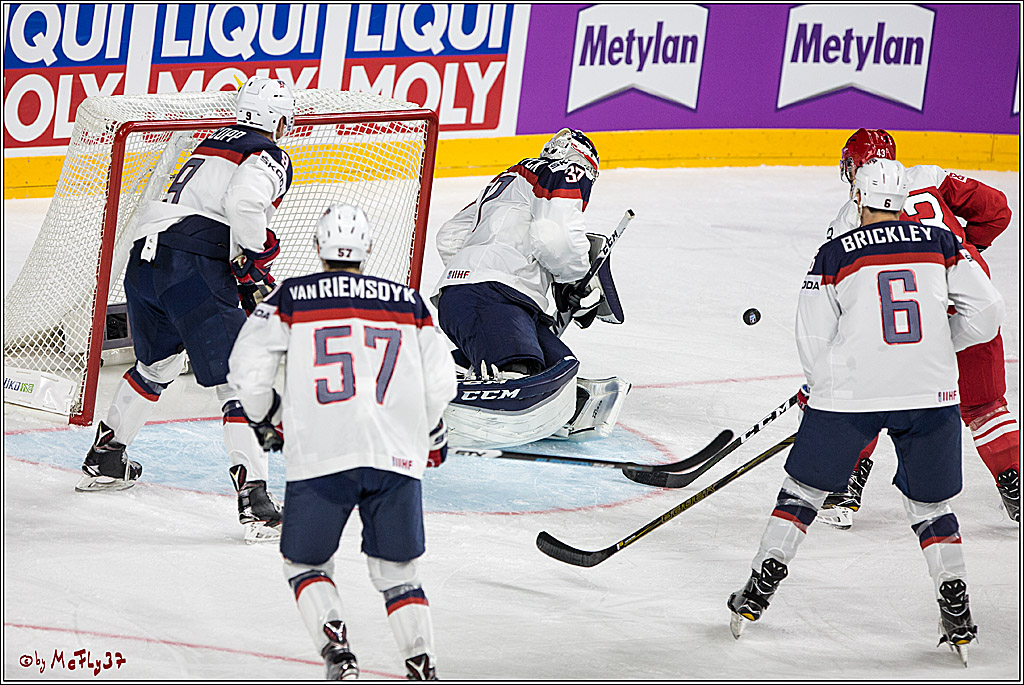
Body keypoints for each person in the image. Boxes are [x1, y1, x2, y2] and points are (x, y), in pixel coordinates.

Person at [728, 159, 1004, 666]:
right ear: (901, 201)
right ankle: (957, 607)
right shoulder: (943, 244)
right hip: (931, 394)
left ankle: (758, 591)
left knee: (804, 493)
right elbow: (987, 314)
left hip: (850, 395)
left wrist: (824, 385)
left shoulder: (833, 253)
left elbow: (812, 338)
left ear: (858, 199)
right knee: (932, 509)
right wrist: (940, 351)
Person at [227, 204, 457, 680]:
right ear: (368, 249)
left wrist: (266, 416)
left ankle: (339, 655)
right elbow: (440, 380)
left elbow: (247, 370)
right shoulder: (409, 302)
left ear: (317, 248)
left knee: (305, 564)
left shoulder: (291, 297)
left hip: (320, 454)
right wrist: (432, 431)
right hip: (394, 456)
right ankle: (422, 666)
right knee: (398, 576)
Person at [75, 76, 295, 544]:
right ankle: (255, 501)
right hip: (190, 263)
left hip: (145, 260)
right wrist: (256, 253)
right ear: (278, 118)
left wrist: (239, 264)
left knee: (156, 364)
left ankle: (107, 456)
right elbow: (243, 203)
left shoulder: (207, 142)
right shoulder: (268, 153)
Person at [819, 128, 1019, 527]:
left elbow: (843, 288)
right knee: (986, 407)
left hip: (909, 323)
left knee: (867, 395)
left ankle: (844, 491)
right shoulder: (929, 176)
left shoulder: (849, 218)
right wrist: (967, 249)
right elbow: (998, 209)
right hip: (972, 303)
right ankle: (1015, 484)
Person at [431, 127, 602, 380]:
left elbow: (449, 235)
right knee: (518, 371)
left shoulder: (508, 182)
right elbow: (555, 236)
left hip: (476, 297)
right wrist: (573, 279)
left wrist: (473, 272)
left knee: (558, 370)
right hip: (493, 295)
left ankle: (457, 368)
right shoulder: (566, 170)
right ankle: (440, 380)